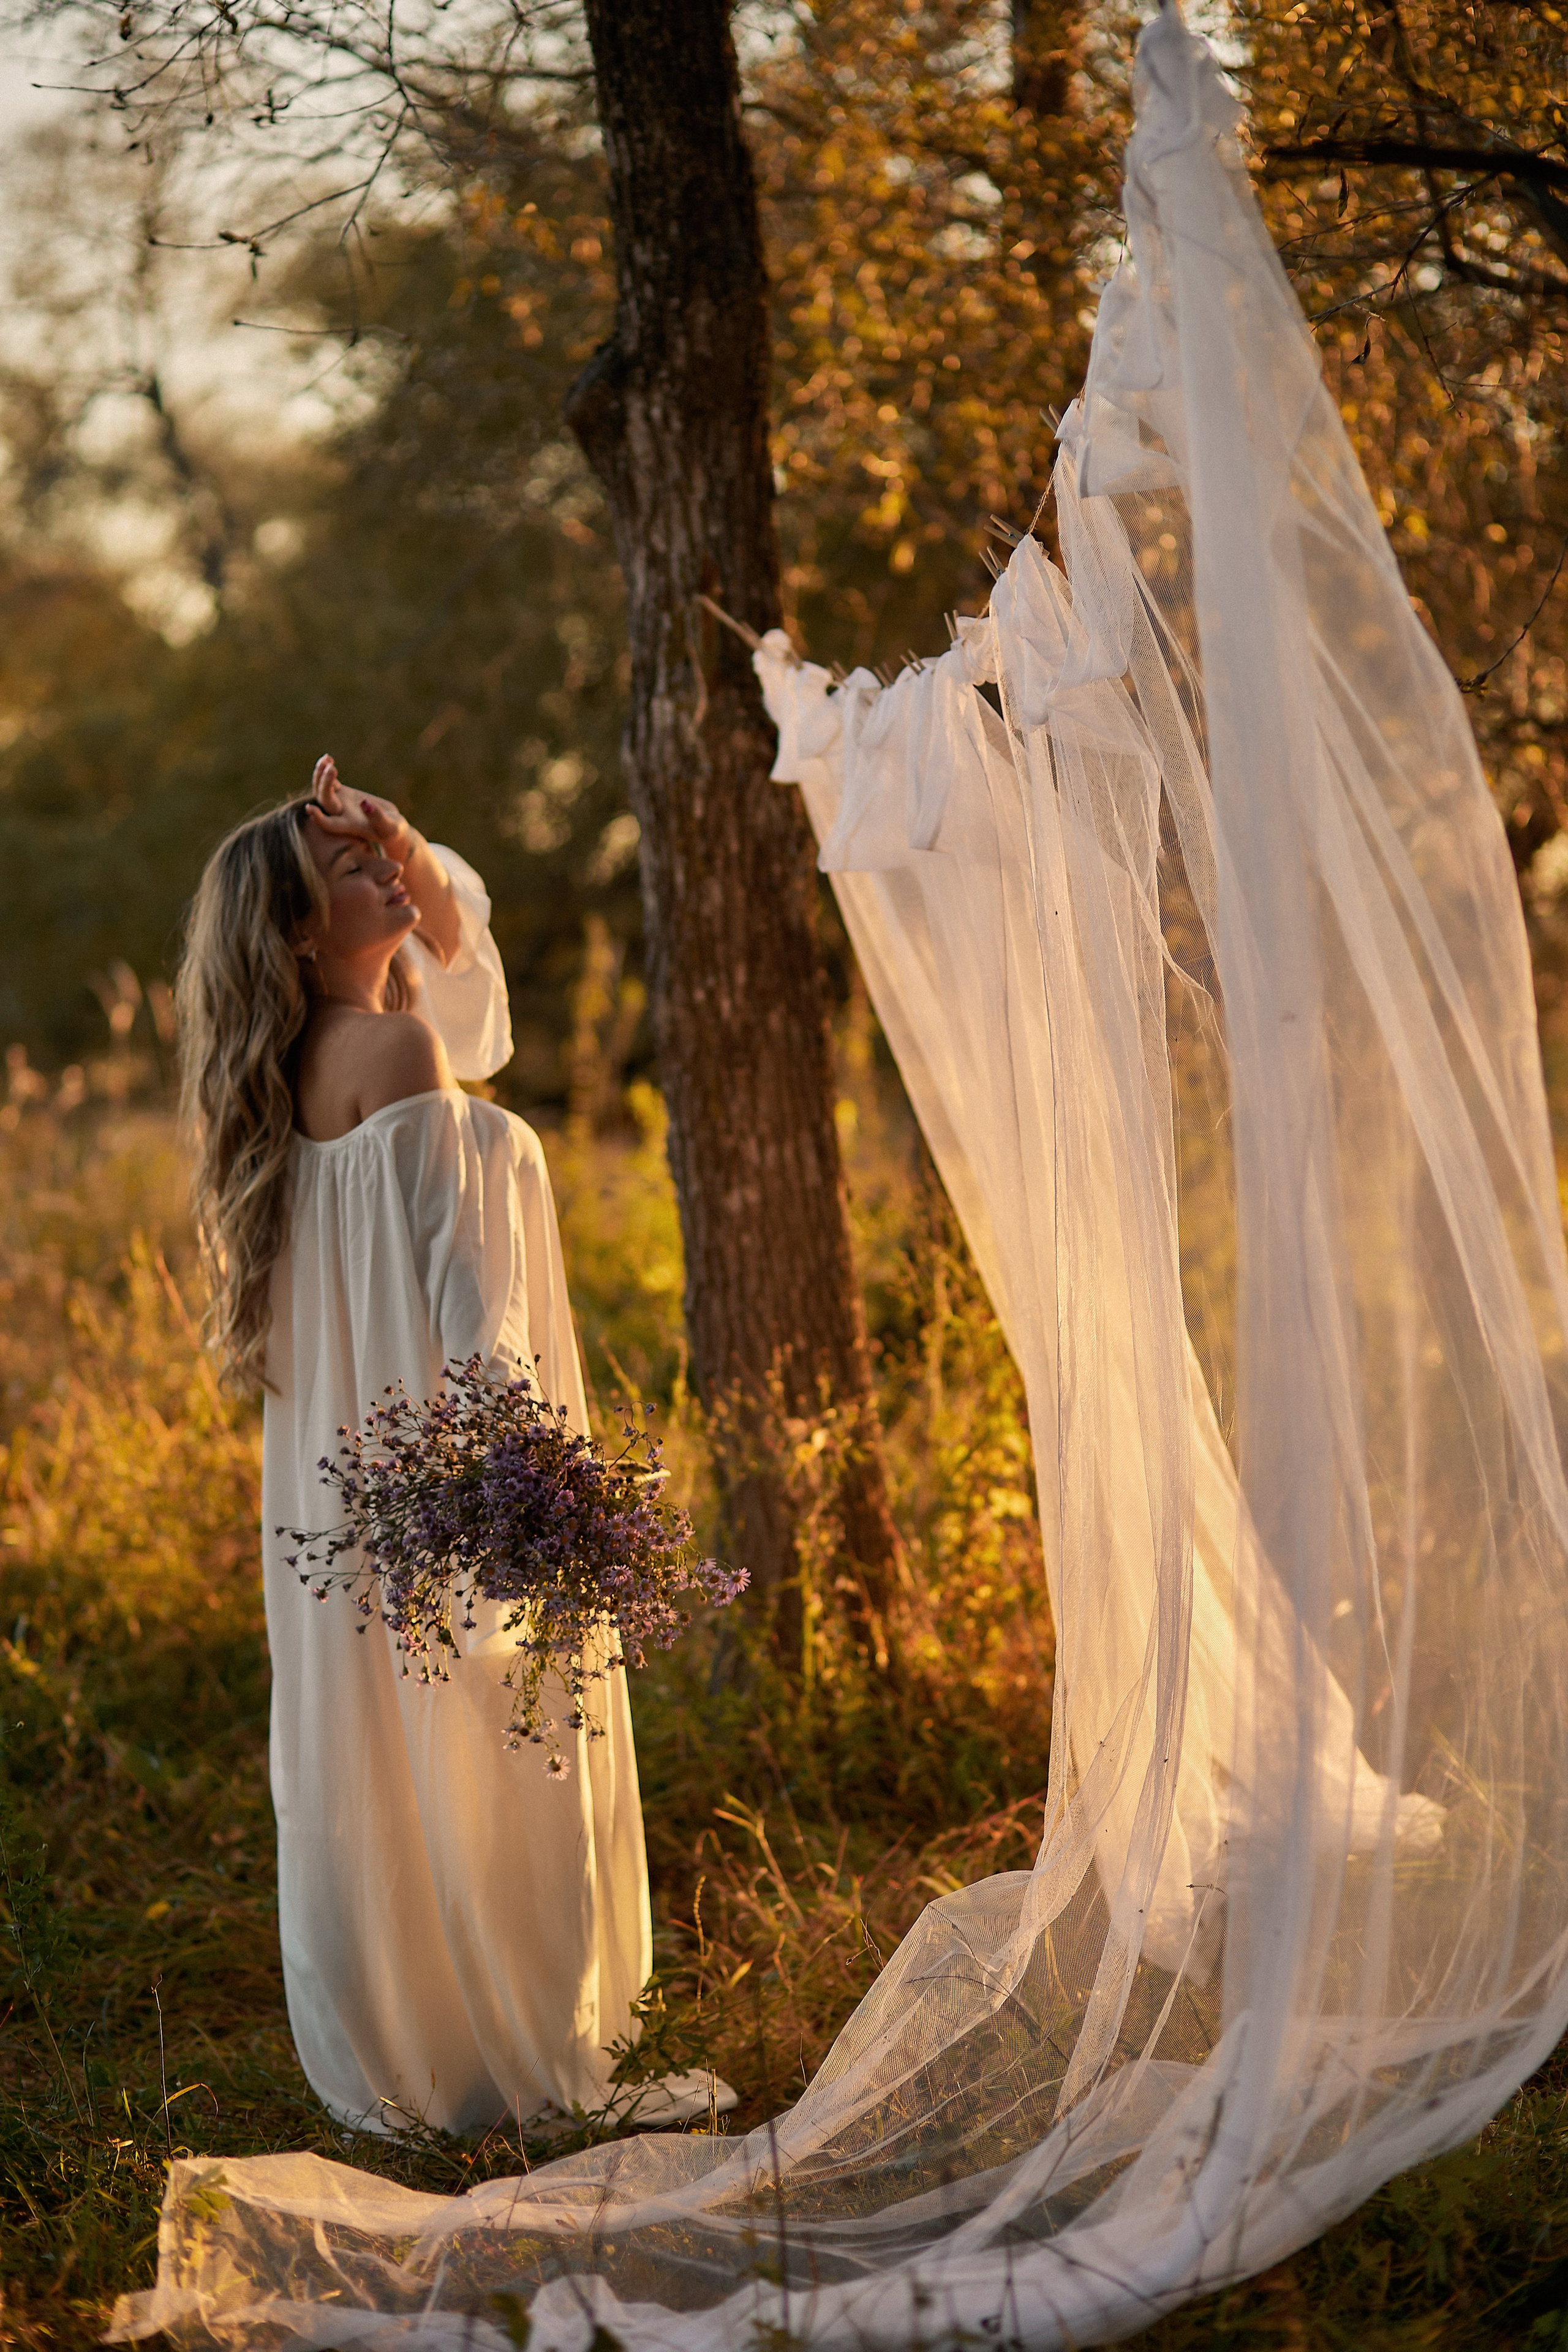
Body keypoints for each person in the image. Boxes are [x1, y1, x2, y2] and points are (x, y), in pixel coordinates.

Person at [177, 756, 703, 2136]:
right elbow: (472, 1297)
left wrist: (395, 836)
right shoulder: (398, 1057)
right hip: (456, 1465)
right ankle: (514, 2048)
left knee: (386, 1746)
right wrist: (534, 1486)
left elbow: (472, 1008)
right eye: (351, 873)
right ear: (298, 933)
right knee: (494, 1745)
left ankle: (417, 2048)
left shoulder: (288, 1078)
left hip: (346, 1480)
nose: (388, 874)